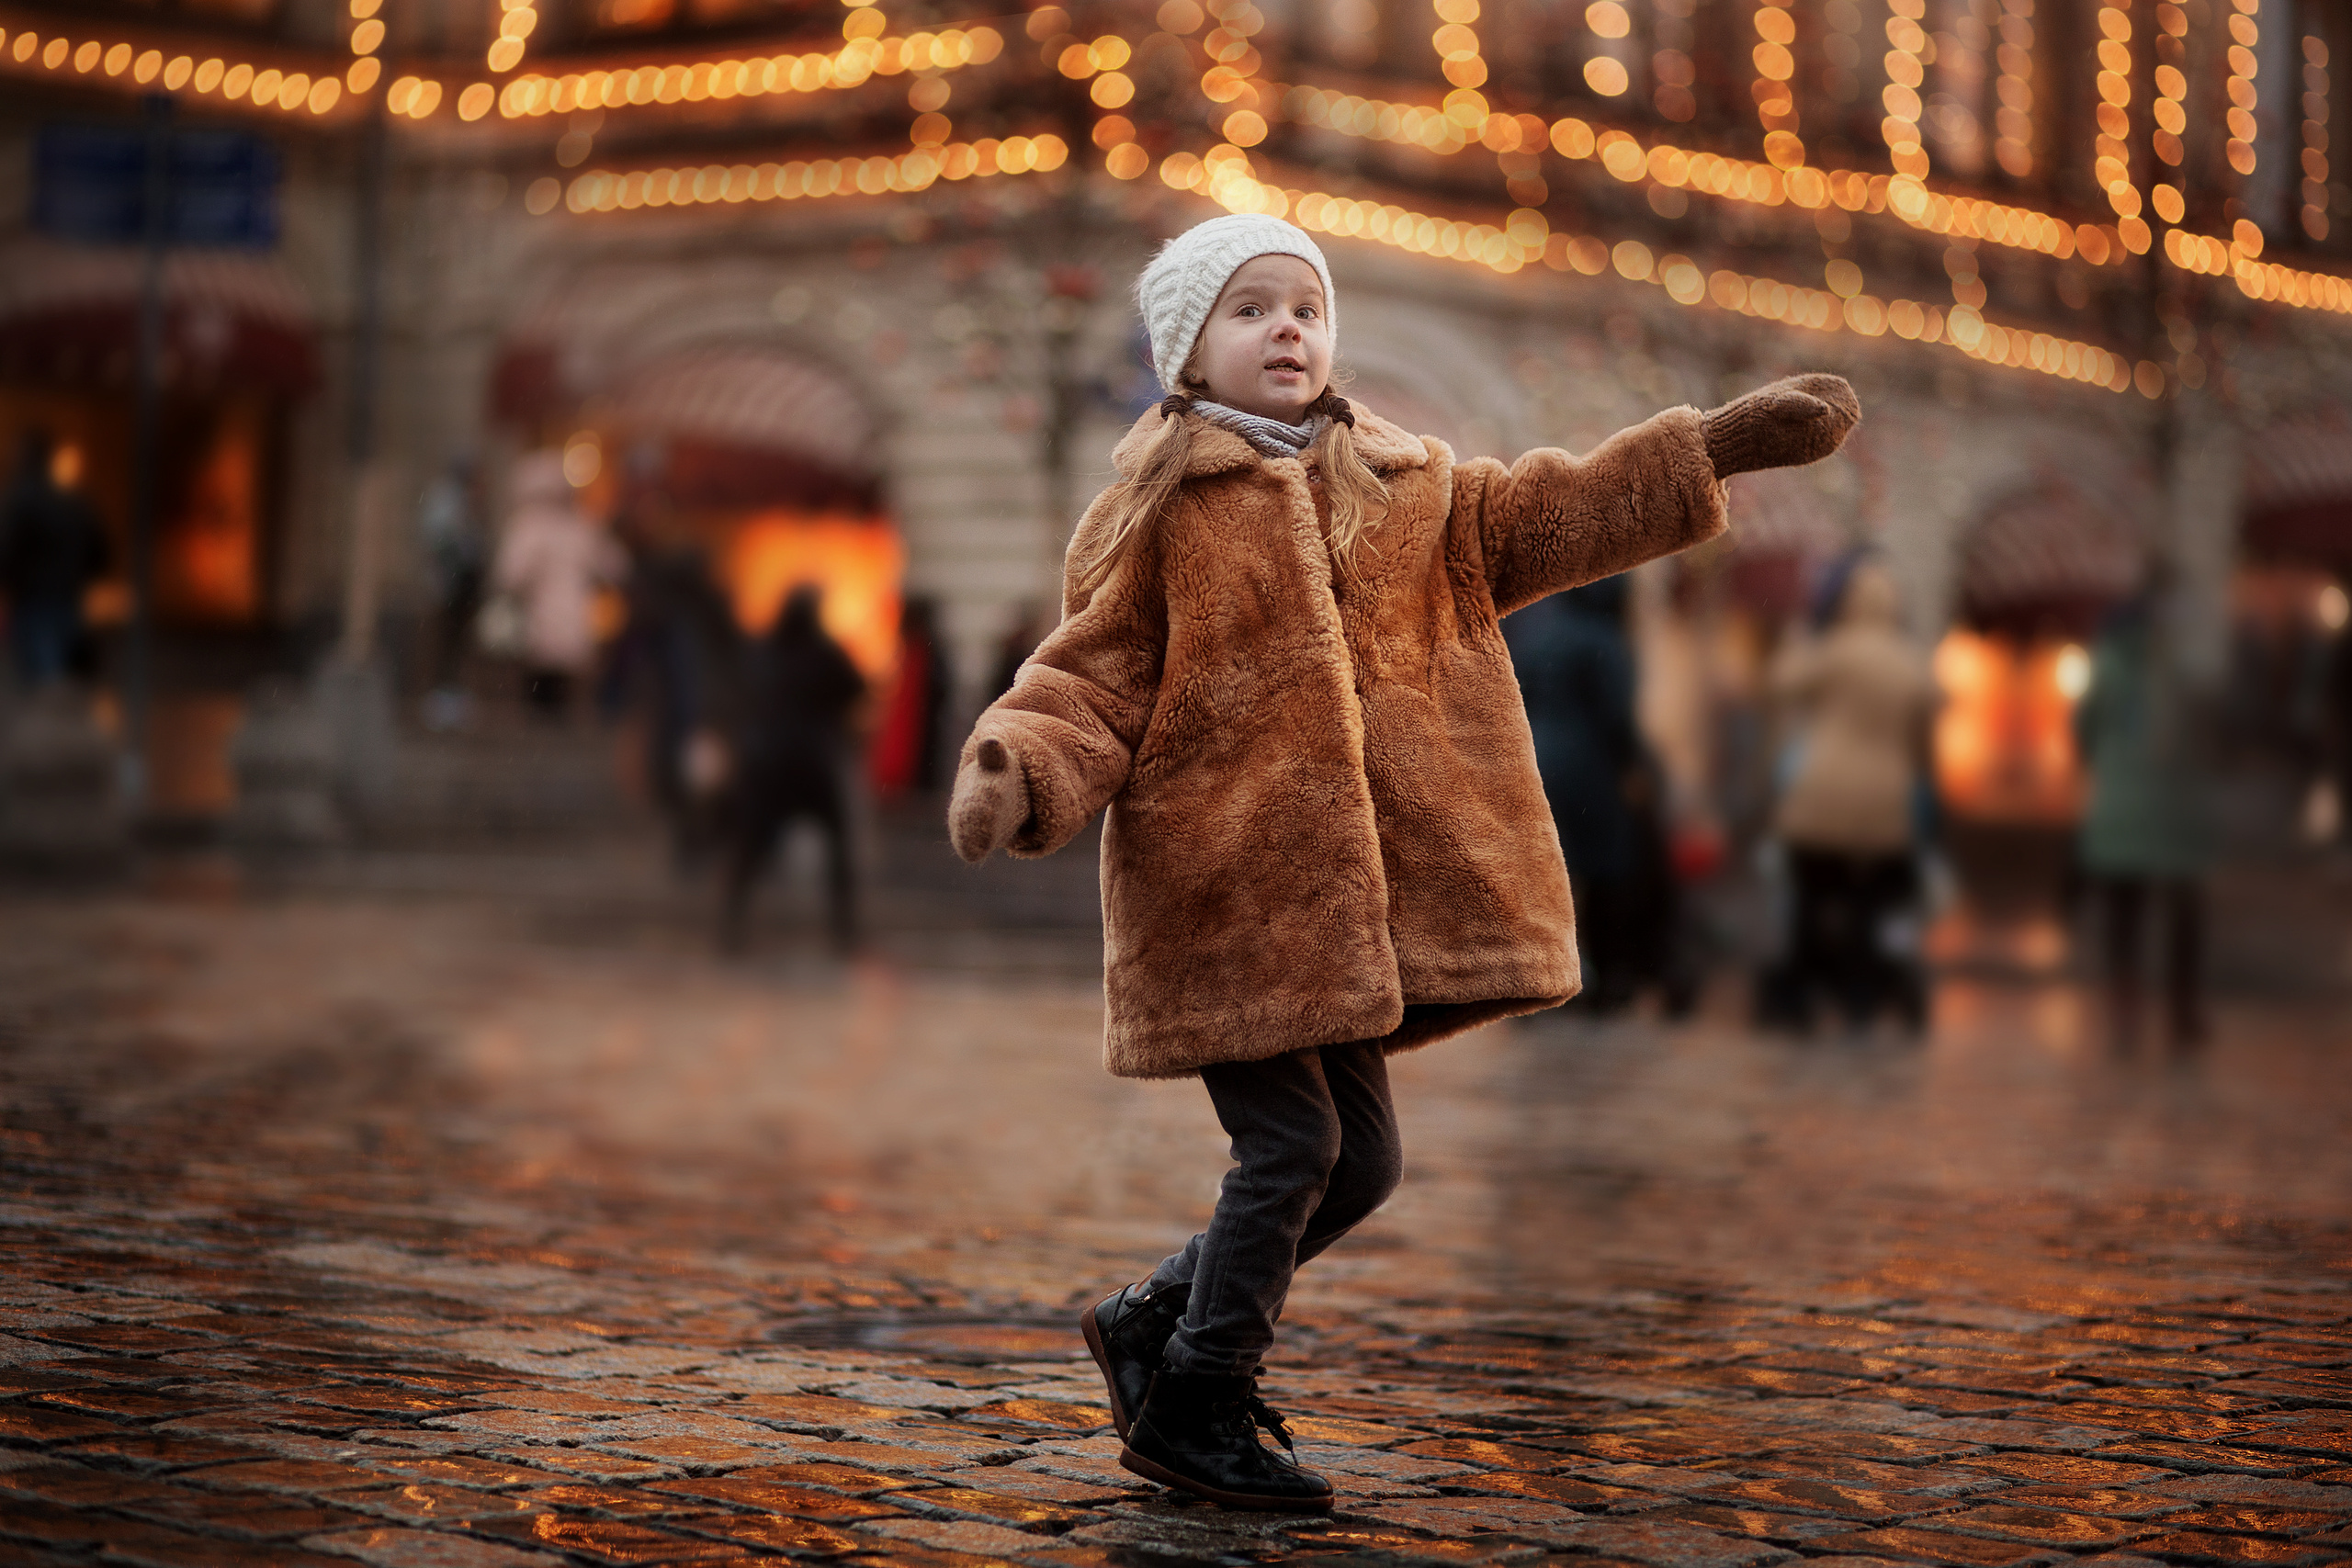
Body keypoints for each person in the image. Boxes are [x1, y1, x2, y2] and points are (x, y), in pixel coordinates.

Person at [946, 214, 1859, 1511]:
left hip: (1357, 912)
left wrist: (1708, 447)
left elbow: (1558, 508)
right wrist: (1019, 764)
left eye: (1306, 309)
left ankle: (1152, 1314)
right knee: (1292, 1149)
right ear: (1187, 351)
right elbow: (1088, 680)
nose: (1288, 329)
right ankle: (1196, 1398)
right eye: (1251, 309)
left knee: (1360, 1164)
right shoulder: (1151, 513)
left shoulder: (1410, 487)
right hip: (1230, 897)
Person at [1755, 559, 1937, 1033]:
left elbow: (1779, 683)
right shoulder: (1910, 664)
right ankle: (1860, 1001)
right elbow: (1925, 740)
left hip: (1820, 800)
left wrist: (1798, 637)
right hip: (1883, 807)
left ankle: (1796, 998)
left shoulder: (1835, 651)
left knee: (1811, 900)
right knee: (1869, 907)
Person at [1505, 576, 1690, 1013]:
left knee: (1548, 877)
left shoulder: (1538, 631)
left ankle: (1536, 981)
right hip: (1588, 769)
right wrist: (1637, 768)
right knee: (1607, 869)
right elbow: (1617, 716)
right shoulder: (1604, 640)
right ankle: (1608, 979)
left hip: (1535, 762)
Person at [2075, 582, 2212, 1048]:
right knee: (2184, 908)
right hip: (2174, 803)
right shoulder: (2180, 665)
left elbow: (2084, 730)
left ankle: (2125, 1011)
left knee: (2123, 913)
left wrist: (2107, 768)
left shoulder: (2106, 664)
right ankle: (2183, 1010)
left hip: (2118, 803)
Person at [720, 583, 865, 953]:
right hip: (811, 763)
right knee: (837, 845)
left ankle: (731, 924)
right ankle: (844, 929)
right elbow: (857, 689)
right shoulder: (825, 653)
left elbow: (743, 695)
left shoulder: (763, 651)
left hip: (769, 764)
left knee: (750, 850)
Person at [491, 451, 623, 720]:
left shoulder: (528, 526)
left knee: (540, 686)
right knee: (560, 687)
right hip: (569, 621)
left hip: (538, 621)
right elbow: (616, 567)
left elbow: (509, 575)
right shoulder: (579, 527)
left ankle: (540, 727)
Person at [0, 431, 110, 688]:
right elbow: (99, 550)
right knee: (62, 676)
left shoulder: (22, 498)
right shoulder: (72, 500)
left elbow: (8, 550)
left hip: (35, 600)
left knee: (46, 679)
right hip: (67, 597)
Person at [416, 455, 487, 728]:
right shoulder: (447, 499)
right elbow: (441, 539)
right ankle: (441, 697)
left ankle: (451, 695)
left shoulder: (462, 500)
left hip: (461, 585)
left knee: (456, 642)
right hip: (449, 584)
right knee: (445, 641)